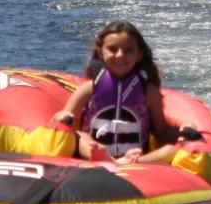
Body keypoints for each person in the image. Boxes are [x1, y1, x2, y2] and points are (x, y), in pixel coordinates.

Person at [49, 20, 180, 164]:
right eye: (112, 49)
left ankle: (134, 161)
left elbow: (162, 132)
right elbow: (62, 126)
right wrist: (62, 116)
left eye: (128, 50)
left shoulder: (148, 92)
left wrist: (185, 130)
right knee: (80, 136)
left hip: (136, 156)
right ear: (100, 52)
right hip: (94, 151)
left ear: (139, 54)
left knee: (176, 148)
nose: (120, 55)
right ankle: (105, 157)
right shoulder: (89, 89)